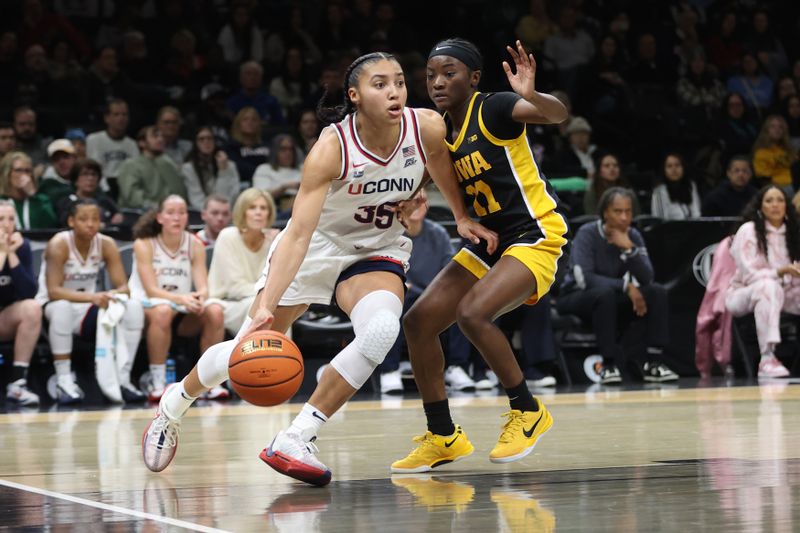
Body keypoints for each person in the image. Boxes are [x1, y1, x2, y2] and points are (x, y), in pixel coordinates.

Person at [140, 51, 496, 482]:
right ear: (355, 95)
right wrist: (267, 303)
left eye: (399, 82)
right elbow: (297, 234)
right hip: (317, 246)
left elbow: (436, 162)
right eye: (379, 84)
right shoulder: (332, 147)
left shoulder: (426, 126)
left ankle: (298, 436)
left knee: (383, 328)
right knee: (252, 343)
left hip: (374, 249)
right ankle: (172, 406)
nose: (394, 92)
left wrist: (454, 212)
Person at [390, 38, 569, 474]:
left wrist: (534, 96)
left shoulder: (495, 108)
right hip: (489, 240)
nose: (437, 82)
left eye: (448, 73)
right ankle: (442, 435)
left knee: (472, 314)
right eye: (431, 75)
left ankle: (527, 411)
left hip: (534, 234)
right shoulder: (438, 131)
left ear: (472, 77)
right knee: (418, 322)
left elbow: (558, 114)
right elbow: (435, 179)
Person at [557, 187, 678, 385]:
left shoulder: (633, 236)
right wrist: (626, 286)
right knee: (604, 294)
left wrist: (630, 250)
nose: (624, 217)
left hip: (609, 297)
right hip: (574, 296)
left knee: (656, 292)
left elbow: (647, 278)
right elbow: (584, 279)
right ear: (605, 212)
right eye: (618, 211)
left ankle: (654, 363)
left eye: (628, 211)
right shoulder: (587, 234)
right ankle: (608, 364)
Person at [36, 199, 145, 404]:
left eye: (95, 219)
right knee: (62, 308)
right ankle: (64, 380)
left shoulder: (106, 244)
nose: (90, 224)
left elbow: (124, 287)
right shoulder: (59, 244)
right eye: (84, 219)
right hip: (49, 308)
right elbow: (53, 291)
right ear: (71, 221)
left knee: (133, 307)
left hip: (86, 308)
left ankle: (123, 378)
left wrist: (110, 295)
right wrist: (93, 297)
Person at [129, 195, 226, 401]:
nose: (177, 217)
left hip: (179, 307)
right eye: (171, 212)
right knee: (163, 311)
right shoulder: (144, 244)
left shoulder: (194, 243)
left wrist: (199, 298)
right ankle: (157, 382)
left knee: (214, 311)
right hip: (147, 306)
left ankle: (211, 381)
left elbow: (203, 286)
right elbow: (151, 290)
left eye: (181, 212)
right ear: (159, 217)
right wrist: (181, 299)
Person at [377, 192, 475, 394]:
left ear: (426, 207)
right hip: (403, 293)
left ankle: (457, 367)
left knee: (462, 303)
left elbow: (450, 269)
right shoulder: (391, 234)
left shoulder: (438, 233)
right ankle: (390, 371)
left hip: (433, 294)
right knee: (392, 303)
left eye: (420, 202)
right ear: (401, 206)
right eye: (411, 201)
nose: (416, 206)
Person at [726, 185, 800, 378]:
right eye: (769, 201)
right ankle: (767, 357)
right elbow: (750, 275)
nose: (775, 205)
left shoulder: (793, 232)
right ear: (760, 207)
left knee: (777, 288)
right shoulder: (749, 231)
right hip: (744, 293)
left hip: (783, 292)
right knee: (769, 286)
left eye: (780, 200)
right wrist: (781, 271)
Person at [208, 188, 278, 336]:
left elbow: (271, 280)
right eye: (252, 208)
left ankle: (277, 356)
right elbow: (235, 287)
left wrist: (275, 247)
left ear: (269, 214)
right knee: (265, 309)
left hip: (254, 300)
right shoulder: (227, 236)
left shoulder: (272, 241)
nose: (258, 212)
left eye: (263, 208)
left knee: (274, 307)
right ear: (242, 212)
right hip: (225, 302)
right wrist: (266, 296)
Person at [0, 200, 42, 406]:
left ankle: (17, 383)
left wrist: (11, 254)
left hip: (5, 317)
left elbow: (29, 291)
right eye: (1, 219)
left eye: (11, 219)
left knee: (32, 308)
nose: (7, 225)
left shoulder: (21, 246)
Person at [117, 126, 187, 210]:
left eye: (162, 137)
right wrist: (159, 207)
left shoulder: (168, 163)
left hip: (167, 212)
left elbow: (180, 192)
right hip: (138, 213)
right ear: (142, 143)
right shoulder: (130, 165)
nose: (160, 139)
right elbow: (132, 197)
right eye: (155, 136)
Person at [86, 99, 139, 195]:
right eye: (116, 114)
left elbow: (135, 174)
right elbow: (93, 170)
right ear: (107, 118)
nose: (121, 118)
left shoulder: (132, 144)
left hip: (126, 189)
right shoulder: (94, 140)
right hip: (101, 189)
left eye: (124, 114)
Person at [182, 126, 240, 210]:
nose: (206, 142)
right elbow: (196, 200)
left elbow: (232, 196)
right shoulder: (189, 168)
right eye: (201, 139)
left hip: (227, 212)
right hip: (201, 214)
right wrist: (213, 211)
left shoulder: (230, 165)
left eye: (209, 138)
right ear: (196, 143)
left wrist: (223, 171)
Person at [0, 151, 58, 229]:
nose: (24, 175)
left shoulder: (41, 200)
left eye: (27, 171)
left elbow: (52, 226)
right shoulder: (1, 200)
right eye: (18, 170)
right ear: (7, 173)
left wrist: (33, 195)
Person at [56, 159, 123, 226]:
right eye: (85, 174)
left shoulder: (106, 201)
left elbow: (119, 218)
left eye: (93, 174)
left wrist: (118, 218)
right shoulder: (66, 203)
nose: (90, 178)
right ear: (75, 180)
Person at [252, 134, 302, 217]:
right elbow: (260, 196)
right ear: (275, 151)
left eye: (291, 149)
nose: (288, 153)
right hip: (275, 210)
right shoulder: (264, 169)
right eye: (283, 149)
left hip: (302, 206)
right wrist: (284, 187)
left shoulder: (302, 168)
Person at [752, 115, 797, 190]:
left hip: (794, 184)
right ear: (766, 130)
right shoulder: (761, 153)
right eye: (773, 126)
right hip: (777, 188)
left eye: (780, 127)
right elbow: (763, 180)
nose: (777, 129)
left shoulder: (788, 149)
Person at [650, 153, 701, 220]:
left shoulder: (691, 186)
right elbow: (660, 221)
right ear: (664, 170)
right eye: (669, 166)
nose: (674, 169)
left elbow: (697, 214)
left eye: (677, 165)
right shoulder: (659, 192)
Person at [39, 139, 77, 206]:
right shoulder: (47, 186)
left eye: (66, 157)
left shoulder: (84, 179)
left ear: (74, 158)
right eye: (56, 159)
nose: (61, 162)